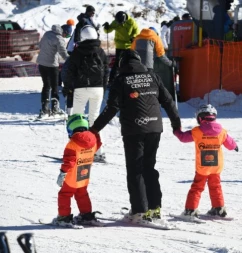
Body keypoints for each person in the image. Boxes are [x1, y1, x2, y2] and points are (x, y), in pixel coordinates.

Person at [90, 49, 181, 224]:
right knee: (149, 167)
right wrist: (176, 124)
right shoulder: (152, 76)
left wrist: (95, 129)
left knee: (135, 170)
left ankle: (139, 211)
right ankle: (154, 208)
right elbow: (168, 101)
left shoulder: (121, 80)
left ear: (122, 64)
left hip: (134, 129)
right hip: (155, 127)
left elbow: (112, 108)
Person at [173, 104, 238, 218]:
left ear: (200, 118)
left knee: (197, 187)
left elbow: (183, 138)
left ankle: (190, 210)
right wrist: (235, 146)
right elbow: (230, 143)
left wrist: (176, 129)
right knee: (216, 186)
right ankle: (219, 208)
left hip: (203, 166)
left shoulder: (196, 131)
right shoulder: (222, 132)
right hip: (216, 165)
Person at [65, 25, 109, 163]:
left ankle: (78, 150)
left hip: (80, 89)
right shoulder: (101, 51)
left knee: (77, 118)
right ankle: (98, 152)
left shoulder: (77, 52)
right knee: (94, 120)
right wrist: (103, 86)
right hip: (98, 89)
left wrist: (69, 88)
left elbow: (69, 72)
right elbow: (107, 70)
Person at [54, 113, 102, 227]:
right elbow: (98, 144)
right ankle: (86, 215)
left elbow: (69, 161)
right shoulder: (94, 139)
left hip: (72, 177)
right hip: (84, 175)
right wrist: (93, 133)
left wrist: (62, 173)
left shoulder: (73, 143)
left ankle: (64, 218)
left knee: (64, 194)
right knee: (82, 194)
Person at [36, 24, 69, 118]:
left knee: (46, 85)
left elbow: (40, 45)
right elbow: (63, 52)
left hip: (41, 64)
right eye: (67, 35)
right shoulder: (59, 38)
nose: (66, 37)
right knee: (55, 87)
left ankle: (44, 109)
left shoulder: (47, 34)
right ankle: (55, 109)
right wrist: (70, 60)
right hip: (52, 65)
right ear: (64, 32)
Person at [103, 11, 139, 85]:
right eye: (118, 22)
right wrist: (106, 27)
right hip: (119, 45)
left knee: (129, 62)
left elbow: (136, 30)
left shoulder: (132, 21)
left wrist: (134, 36)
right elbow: (108, 30)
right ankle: (111, 81)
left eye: (121, 22)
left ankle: (129, 80)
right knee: (117, 63)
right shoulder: (115, 22)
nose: (119, 24)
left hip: (129, 45)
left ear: (125, 19)